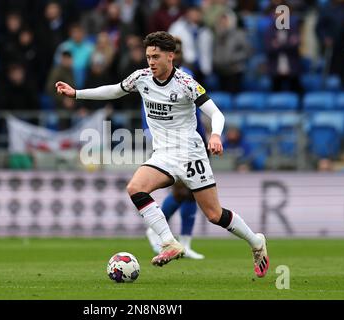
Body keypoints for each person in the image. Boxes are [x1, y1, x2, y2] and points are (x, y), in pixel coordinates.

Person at [56, 31, 269, 277]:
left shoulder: (186, 83)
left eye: (156, 57)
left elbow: (217, 114)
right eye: (148, 57)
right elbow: (114, 90)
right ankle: (169, 242)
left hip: (191, 154)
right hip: (164, 154)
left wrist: (216, 135)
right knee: (135, 188)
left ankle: (256, 242)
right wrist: (77, 93)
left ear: (171, 56)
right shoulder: (141, 78)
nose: (151, 62)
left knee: (214, 214)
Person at [143, 37, 206, 260]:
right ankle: (162, 232)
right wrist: (148, 132)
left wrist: (203, 136)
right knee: (183, 190)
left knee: (191, 192)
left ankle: (183, 241)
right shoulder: (151, 77)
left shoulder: (184, 75)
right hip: (169, 140)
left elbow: (195, 108)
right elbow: (149, 108)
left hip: (192, 137)